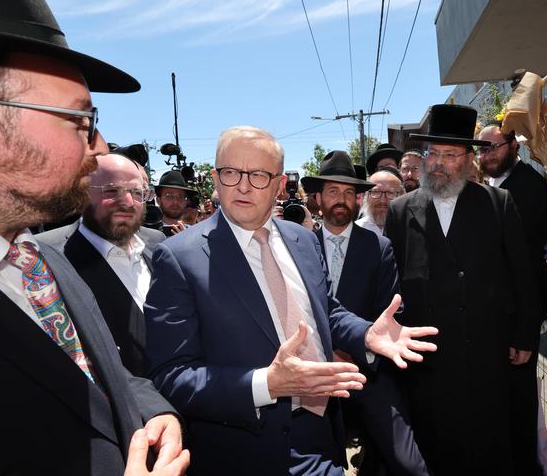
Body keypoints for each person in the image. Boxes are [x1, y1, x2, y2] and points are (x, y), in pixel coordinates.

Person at [144, 125, 438, 476]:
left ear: (280, 185)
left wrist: (364, 334)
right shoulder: (178, 257)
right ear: (215, 178)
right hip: (245, 447)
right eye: (231, 172)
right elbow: (171, 375)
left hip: (321, 435)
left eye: (258, 175)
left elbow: (325, 310)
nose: (242, 185)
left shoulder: (303, 240)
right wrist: (265, 384)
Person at [0, 0, 189, 474]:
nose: (99, 145)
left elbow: (103, 375)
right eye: (80, 119)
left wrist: (155, 411)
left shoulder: (43, 261)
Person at [384, 104, 540, 475]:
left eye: (450, 155)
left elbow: (522, 274)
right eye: (432, 153)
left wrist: (524, 335)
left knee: (488, 442)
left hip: (486, 348)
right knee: (435, 442)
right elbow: (394, 282)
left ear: (470, 159)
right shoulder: (402, 210)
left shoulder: (497, 204)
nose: (438, 162)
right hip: (428, 355)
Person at [305, 151, 429, 476]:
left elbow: (391, 311)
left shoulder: (378, 247)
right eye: (333, 191)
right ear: (317, 197)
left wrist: (359, 351)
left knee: (407, 461)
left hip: (370, 372)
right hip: (314, 376)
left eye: (349, 193)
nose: (342, 200)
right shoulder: (299, 247)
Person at [37, 153, 165, 377]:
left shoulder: (157, 243)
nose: (127, 202)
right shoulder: (48, 255)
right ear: (84, 194)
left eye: (136, 192)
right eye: (112, 191)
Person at [478, 123, 547, 476]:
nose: (487, 155)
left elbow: (519, 263)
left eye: (493, 147)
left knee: (520, 401)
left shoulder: (529, 186)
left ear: (513, 146)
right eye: (482, 149)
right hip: (493, 315)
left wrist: (523, 330)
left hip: (519, 313)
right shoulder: (488, 186)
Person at [356, 166, 405, 235]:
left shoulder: (411, 230)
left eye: (390, 193)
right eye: (376, 192)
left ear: (402, 196)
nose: (383, 200)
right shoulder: (356, 230)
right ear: (366, 196)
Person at [155, 170, 192, 236]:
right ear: (158, 200)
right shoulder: (148, 235)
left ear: (186, 202)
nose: (175, 202)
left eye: (180, 196)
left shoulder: (194, 233)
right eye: (169, 196)